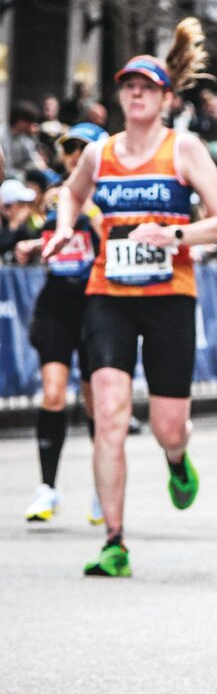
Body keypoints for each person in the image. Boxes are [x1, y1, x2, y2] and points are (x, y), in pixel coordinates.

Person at [43, 21, 217, 576]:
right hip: (109, 294)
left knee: (167, 425)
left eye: (146, 86)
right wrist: (62, 228)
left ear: (166, 97)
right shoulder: (99, 154)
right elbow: (69, 196)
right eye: (128, 86)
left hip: (171, 294)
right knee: (108, 414)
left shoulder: (185, 149)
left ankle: (177, 457)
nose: (136, 93)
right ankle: (115, 541)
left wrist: (174, 235)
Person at [15, 123, 108, 523]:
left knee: (97, 405)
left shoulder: (109, 196)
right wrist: (29, 244)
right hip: (56, 302)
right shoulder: (54, 195)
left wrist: (85, 205)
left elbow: (111, 237)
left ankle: (103, 490)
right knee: (52, 393)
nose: (74, 155)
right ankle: (47, 489)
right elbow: (34, 233)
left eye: (82, 148)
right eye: (69, 149)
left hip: (97, 304)